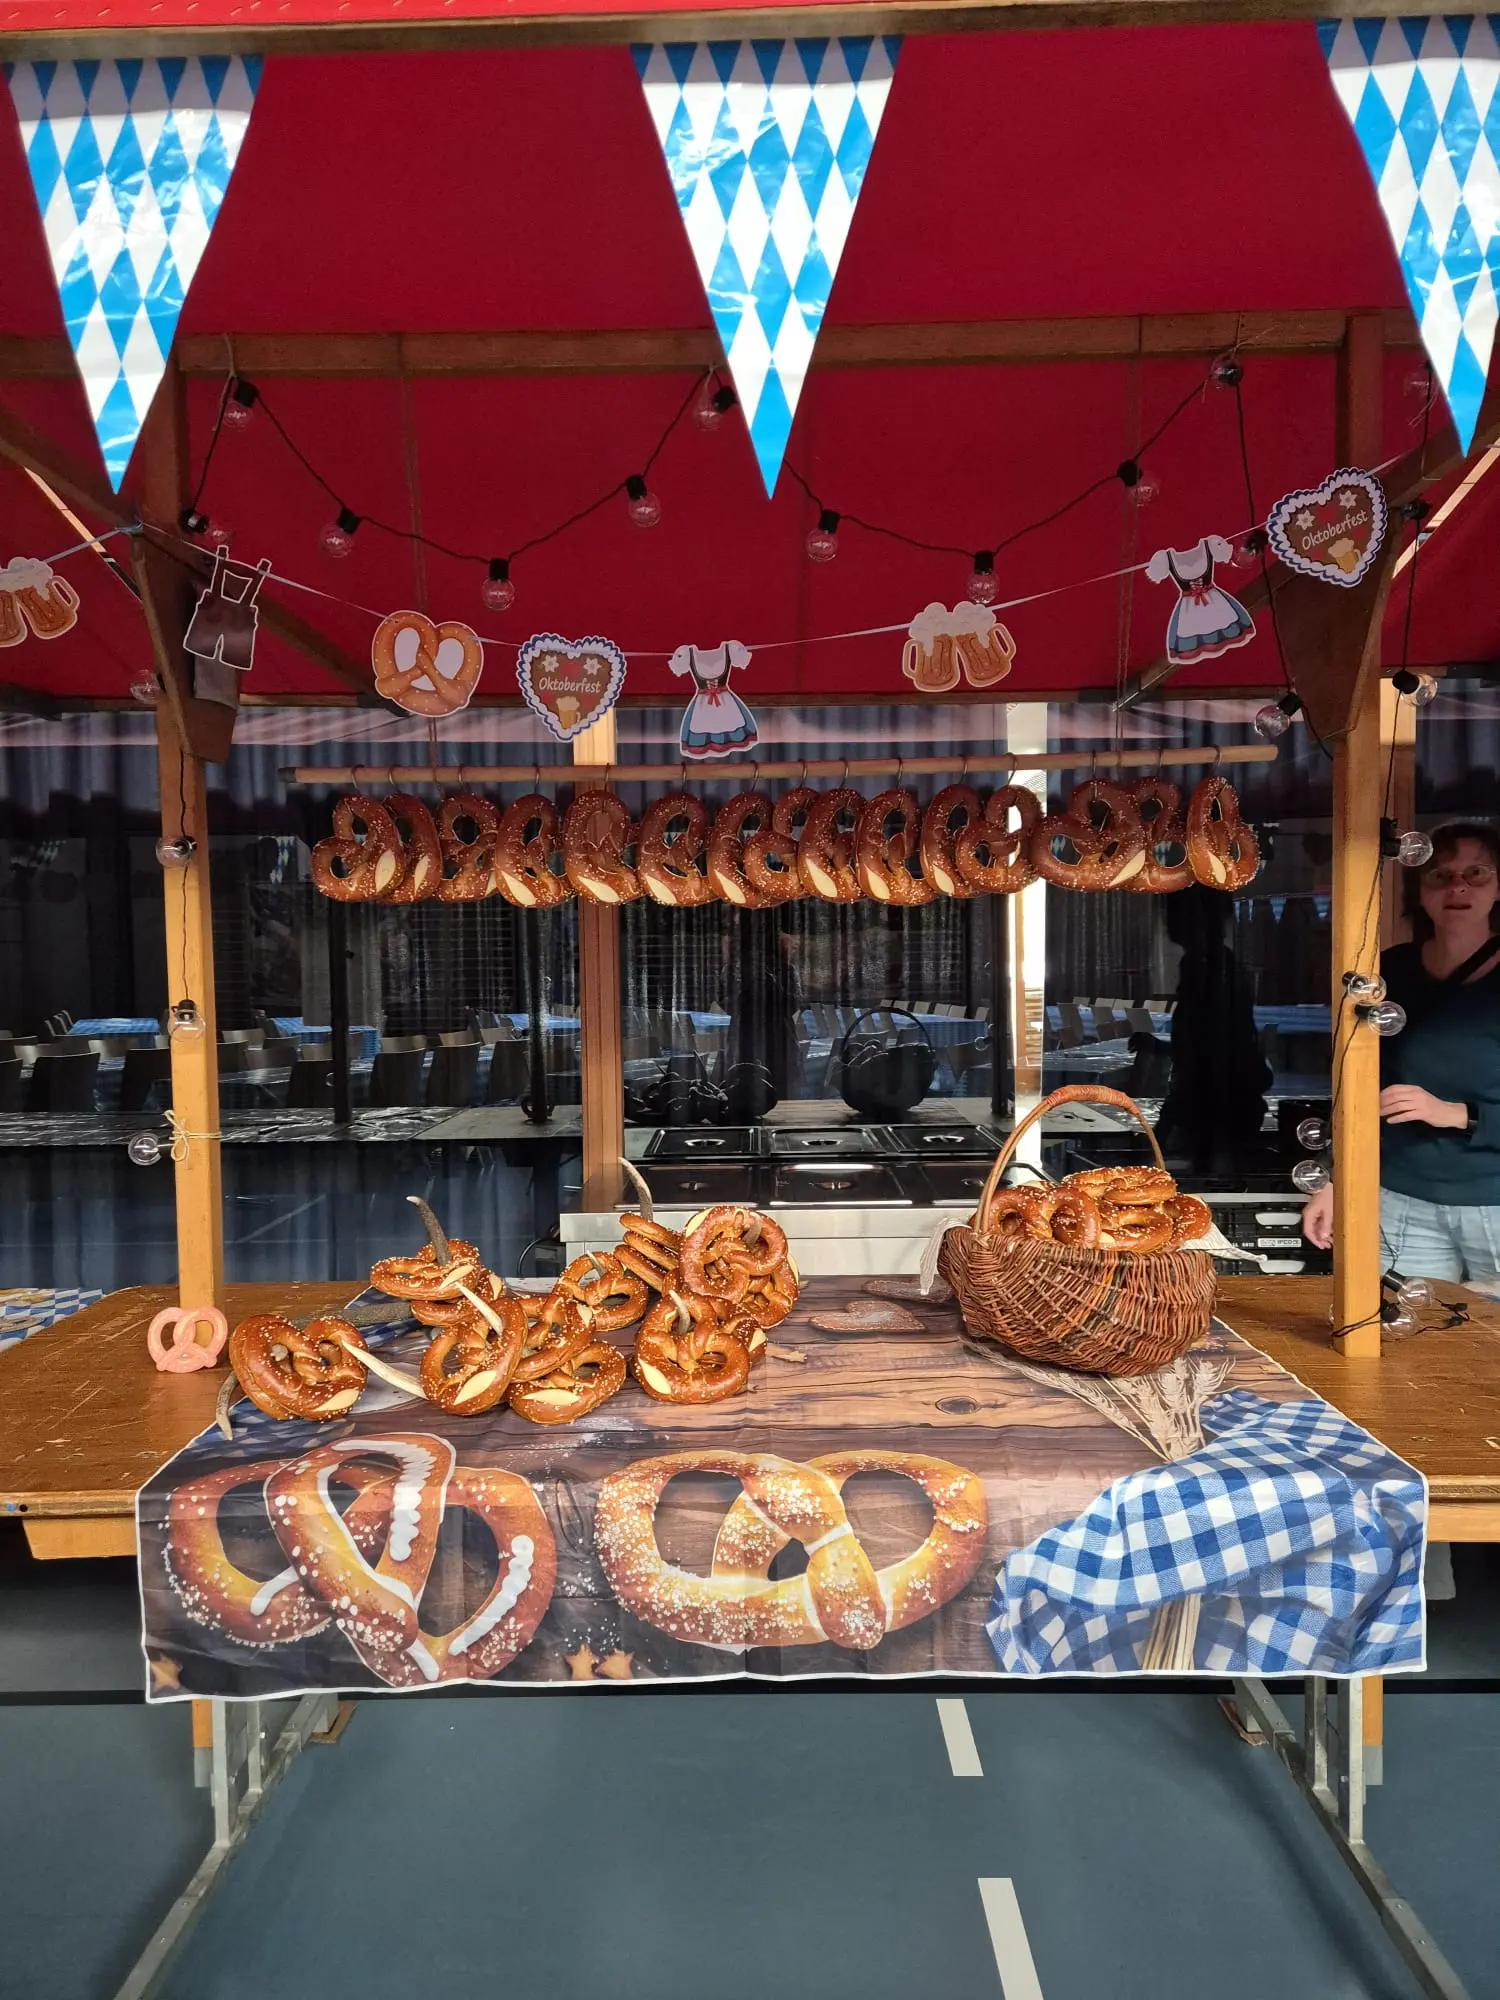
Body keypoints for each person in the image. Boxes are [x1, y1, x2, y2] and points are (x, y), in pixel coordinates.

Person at [1302, 823, 1500, 1281]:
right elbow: (1356, 1083)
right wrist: (1331, 1178)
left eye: (1476, 873)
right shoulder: (1389, 972)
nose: (1457, 886)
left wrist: (1455, 1113)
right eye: (1440, 875)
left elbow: (1447, 1110)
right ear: (1420, 888)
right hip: (1400, 1200)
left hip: (1492, 1201)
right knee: (1406, 1343)